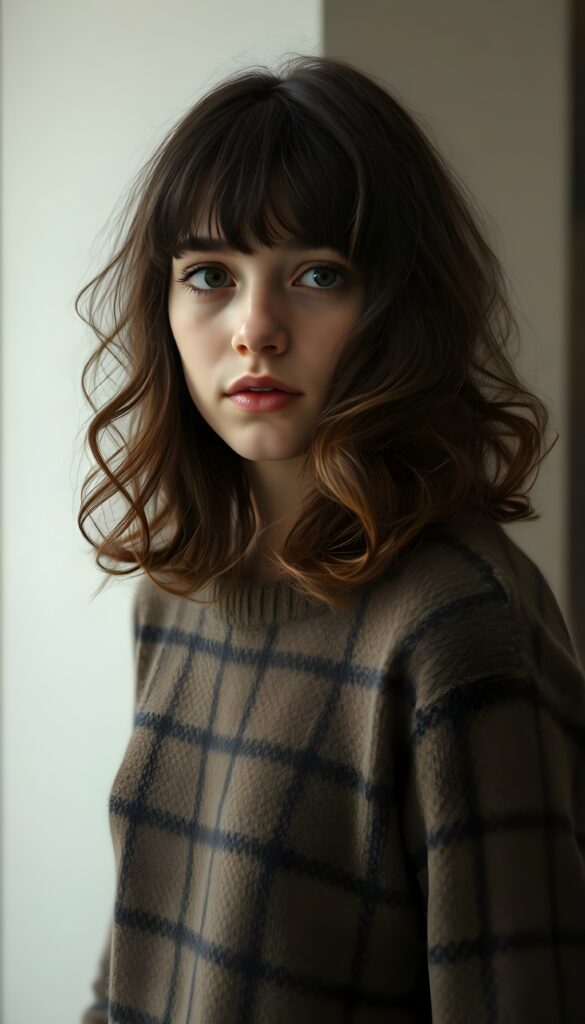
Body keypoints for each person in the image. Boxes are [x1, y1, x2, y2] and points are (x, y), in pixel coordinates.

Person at [76, 53, 585, 1024]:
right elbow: (132, 969)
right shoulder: (176, 592)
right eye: (210, 275)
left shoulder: (458, 625)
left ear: (398, 304)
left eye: (316, 274)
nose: (255, 328)